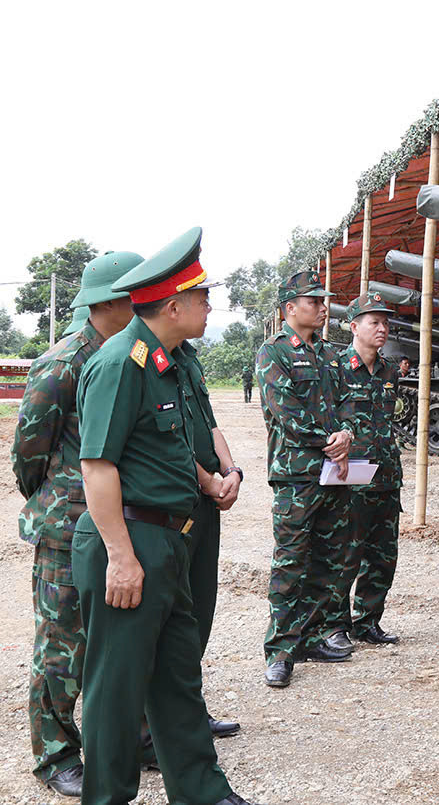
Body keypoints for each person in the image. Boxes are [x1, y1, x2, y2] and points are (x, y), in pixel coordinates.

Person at [74, 227, 258, 805]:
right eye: (202, 297)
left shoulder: (169, 362)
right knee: (116, 690)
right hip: (129, 541)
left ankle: (202, 790)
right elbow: (97, 467)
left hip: (171, 539)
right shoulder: (118, 364)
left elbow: (174, 449)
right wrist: (122, 559)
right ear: (173, 305)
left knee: (178, 676)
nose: (210, 306)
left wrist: (214, 481)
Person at [13, 251, 142, 798]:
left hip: (121, 518)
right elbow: (28, 449)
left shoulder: (131, 354)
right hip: (67, 525)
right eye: (138, 294)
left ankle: (129, 735)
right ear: (113, 301)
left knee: (122, 638)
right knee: (64, 643)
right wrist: (56, 499)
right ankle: (56, 752)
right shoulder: (66, 361)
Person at [256, 269, 354, 688]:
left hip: (333, 473)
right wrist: (328, 440)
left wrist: (347, 432)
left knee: (328, 559)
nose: (321, 307)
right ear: (289, 308)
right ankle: (280, 650)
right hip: (296, 475)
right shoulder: (273, 352)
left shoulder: (331, 354)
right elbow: (285, 411)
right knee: (291, 562)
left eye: (322, 300)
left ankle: (313, 635)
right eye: (313, 301)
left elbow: (350, 400)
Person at [174, 334, 245, 738]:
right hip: (176, 503)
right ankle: (155, 726)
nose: (207, 307)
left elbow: (208, 423)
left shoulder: (188, 357)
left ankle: (187, 711)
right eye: (199, 298)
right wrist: (206, 480)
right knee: (174, 615)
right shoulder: (146, 357)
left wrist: (231, 471)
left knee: (201, 609)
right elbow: (164, 436)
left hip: (204, 502)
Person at [336, 292, 403, 645]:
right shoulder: (335, 370)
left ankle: (368, 622)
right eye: (374, 322)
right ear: (354, 327)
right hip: (351, 479)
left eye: (385, 322)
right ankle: (335, 626)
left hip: (386, 475)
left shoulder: (390, 371)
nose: (383, 328)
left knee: (382, 556)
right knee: (345, 554)